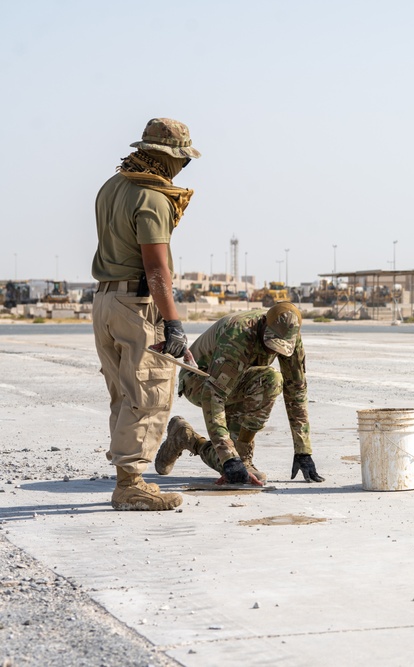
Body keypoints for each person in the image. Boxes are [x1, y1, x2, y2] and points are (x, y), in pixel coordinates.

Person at [91, 118, 203, 511]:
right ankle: (130, 485)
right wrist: (173, 323)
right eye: (182, 161)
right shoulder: (151, 197)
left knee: (124, 395)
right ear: (168, 157)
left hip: (105, 301)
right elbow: (156, 270)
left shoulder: (112, 186)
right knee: (149, 394)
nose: (182, 168)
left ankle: (127, 476)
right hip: (136, 306)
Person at [154, 302, 325, 484]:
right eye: (271, 344)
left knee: (239, 472)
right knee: (270, 379)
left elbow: (296, 390)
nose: (274, 351)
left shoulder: (290, 336)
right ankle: (191, 440)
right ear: (265, 324)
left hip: (237, 383)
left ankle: (185, 436)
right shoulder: (238, 335)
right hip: (199, 380)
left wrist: (303, 450)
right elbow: (214, 395)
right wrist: (229, 457)